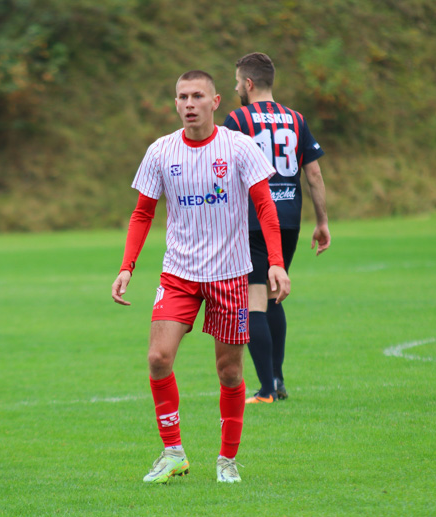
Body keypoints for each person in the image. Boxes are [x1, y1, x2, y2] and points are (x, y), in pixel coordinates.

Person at [111, 70, 291, 484]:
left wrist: (276, 262)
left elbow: (265, 207)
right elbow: (142, 213)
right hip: (179, 274)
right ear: (175, 104)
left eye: (197, 96)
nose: (188, 103)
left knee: (230, 373)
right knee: (158, 358)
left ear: (214, 103)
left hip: (230, 275)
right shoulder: (160, 151)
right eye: (181, 97)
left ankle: (227, 460)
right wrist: (127, 267)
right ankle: (173, 452)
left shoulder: (239, 147)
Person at [223, 52, 330, 404]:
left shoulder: (237, 119)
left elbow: (222, 169)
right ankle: (278, 379)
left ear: (249, 84)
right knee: (272, 296)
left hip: (253, 220)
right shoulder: (295, 119)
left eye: (238, 82)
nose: (237, 87)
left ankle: (267, 389)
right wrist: (323, 221)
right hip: (289, 220)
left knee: (253, 301)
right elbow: (313, 174)